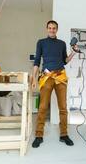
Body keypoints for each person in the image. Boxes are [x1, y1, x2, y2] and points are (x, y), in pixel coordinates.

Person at [31, 20, 78, 148]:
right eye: (50, 28)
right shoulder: (41, 42)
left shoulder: (62, 44)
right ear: (47, 29)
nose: (52, 30)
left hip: (60, 77)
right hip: (46, 77)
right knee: (43, 107)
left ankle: (64, 135)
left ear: (57, 29)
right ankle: (39, 135)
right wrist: (34, 79)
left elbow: (65, 60)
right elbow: (36, 61)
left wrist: (74, 52)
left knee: (63, 107)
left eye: (54, 28)